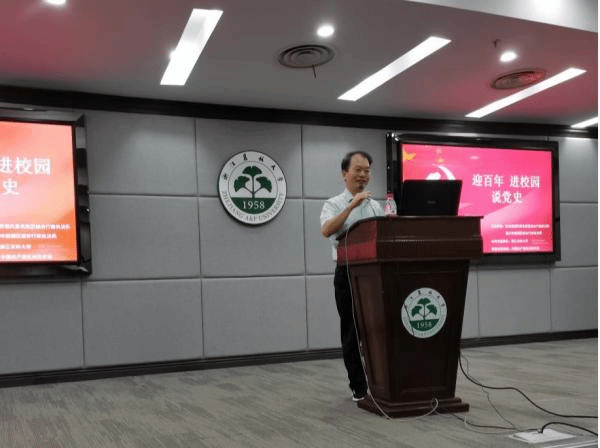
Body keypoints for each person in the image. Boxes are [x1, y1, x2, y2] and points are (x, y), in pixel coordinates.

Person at [319, 151, 384, 401]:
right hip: (347, 273)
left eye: (367, 171)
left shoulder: (375, 205)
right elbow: (327, 230)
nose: (363, 175)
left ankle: (382, 383)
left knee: (377, 329)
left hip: (375, 275)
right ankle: (359, 387)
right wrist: (352, 205)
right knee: (352, 331)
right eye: (358, 170)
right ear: (344, 174)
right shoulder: (333, 203)